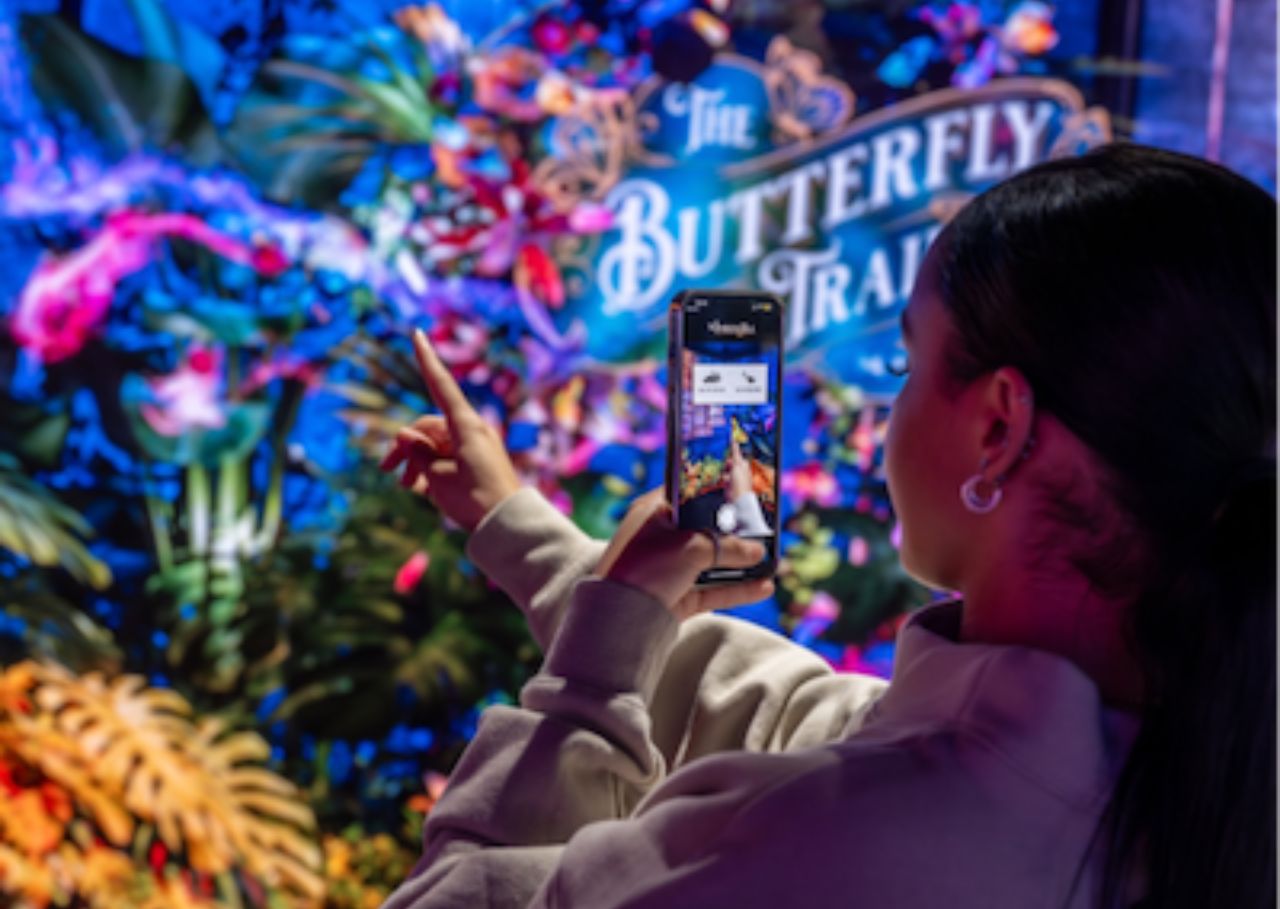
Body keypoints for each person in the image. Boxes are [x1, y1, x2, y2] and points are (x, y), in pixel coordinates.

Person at [378, 143, 1276, 909]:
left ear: (998, 426)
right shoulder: (1192, 767)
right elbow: (804, 713)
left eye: (907, 360)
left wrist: (599, 654)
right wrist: (520, 525)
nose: (894, 401)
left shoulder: (827, 841)